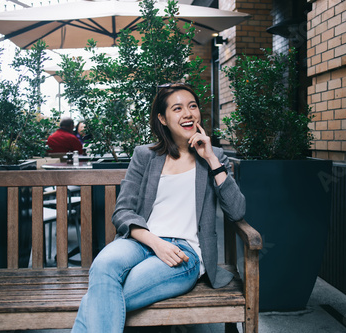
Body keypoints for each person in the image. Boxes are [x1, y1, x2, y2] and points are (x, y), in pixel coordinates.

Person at [71, 83, 246, 332]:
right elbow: (122, 211)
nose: (188, 113)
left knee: (98, 298)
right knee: (103, 266)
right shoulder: (145, 156)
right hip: (141, 241)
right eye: (177, 108)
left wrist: (211, 159)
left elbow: (237, 210)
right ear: (162, 118)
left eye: (192, 106)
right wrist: (156, 242)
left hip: (184, 253)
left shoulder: (214, 156)